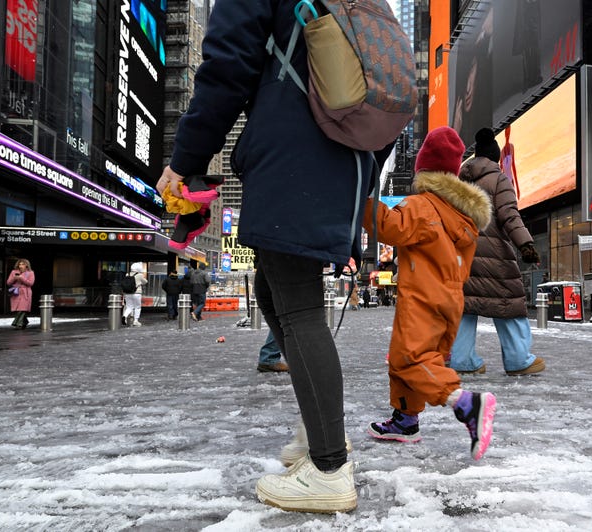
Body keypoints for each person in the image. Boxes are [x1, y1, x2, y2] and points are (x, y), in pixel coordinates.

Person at [154, 0, 378, 514]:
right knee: (274, 295)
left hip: (295, 154)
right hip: (339, 156)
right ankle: (322, 442)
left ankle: (328, 468)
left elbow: (227, 67)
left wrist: (185, 159)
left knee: (296, 306)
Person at [363, 126, 496, 460]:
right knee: (408, 357)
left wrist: (363, 206)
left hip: (422, 296)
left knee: (410, 359)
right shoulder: (463, 216)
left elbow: (393, 228)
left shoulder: (422, 205)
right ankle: (405, 420)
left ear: (423, 170)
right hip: (449, 300)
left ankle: (465, 403)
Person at [449, 128, 545, 377]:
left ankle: (462, 360)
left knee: (464, 307)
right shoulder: (499, 180)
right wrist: (526, 244)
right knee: (508, 304)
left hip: (463, 256)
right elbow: (509, 216)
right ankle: (518, 359)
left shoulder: (459, 182)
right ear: (494, 158)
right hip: (496, 256)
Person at [6, 258, 35, 329]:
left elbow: (31, 283)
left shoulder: (31, 273)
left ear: (27, 265)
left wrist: (21, 278)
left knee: (22, 308)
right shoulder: (13, 272)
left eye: (23, 264)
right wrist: (14, 278)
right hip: (16, 292)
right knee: (19, 309)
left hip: (26, 292)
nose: (20, 266)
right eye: (19, 264)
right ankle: (24, 322)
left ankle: (17, 323)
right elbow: (8, 282)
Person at [122, 262, 147, 327]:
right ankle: (136, 321)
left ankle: (124, 316)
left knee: (129, 307)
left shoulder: (127, 274)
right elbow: (145, 282)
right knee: (137, 307)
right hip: (137, 293)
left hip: (127, 293)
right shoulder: (140, 275)